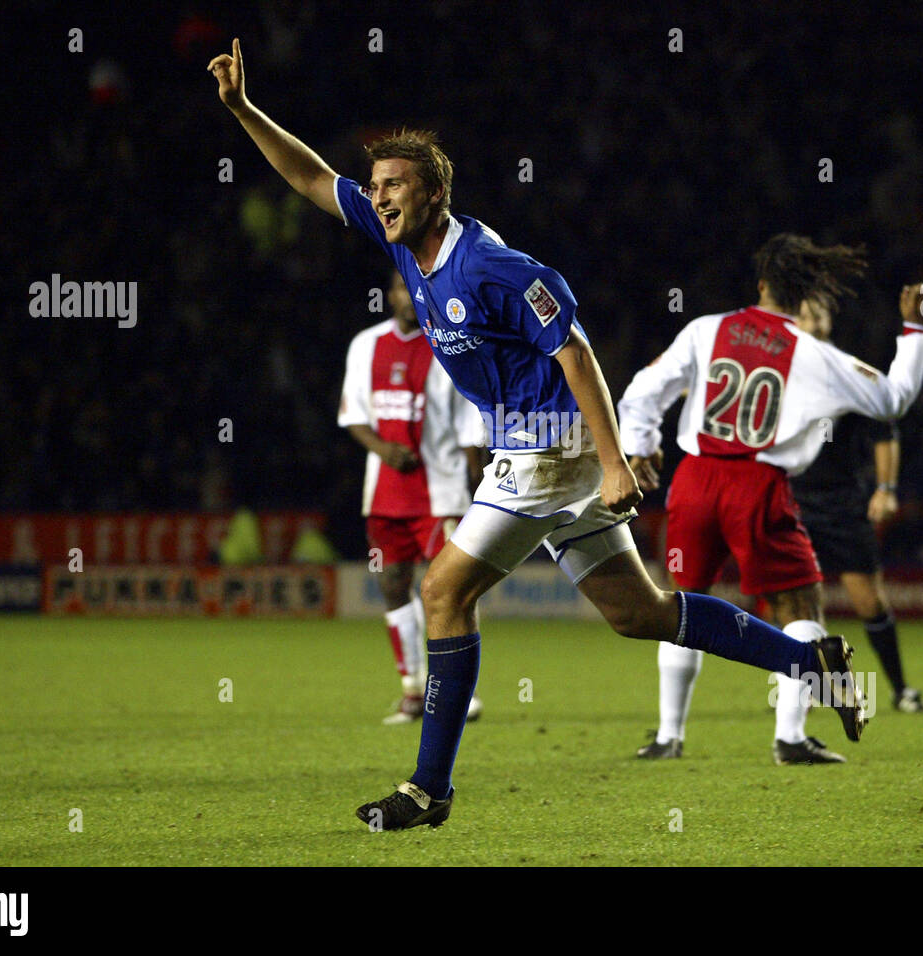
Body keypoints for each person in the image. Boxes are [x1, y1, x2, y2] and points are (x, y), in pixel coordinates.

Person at [209, 41, 865, 830]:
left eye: (396, 186)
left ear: (436, 191)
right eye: (376, 187)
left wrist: (616, 462)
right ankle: (810, 659)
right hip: (544, 454)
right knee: (639, 613)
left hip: (549, 454)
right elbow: (315, 179)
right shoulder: (400, 242)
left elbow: (578, 353)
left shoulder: (495, 267)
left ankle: (429, 790)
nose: (378, 198)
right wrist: (245, 110)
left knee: (443, 592)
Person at [618, 237, 923, 765]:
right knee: (800, 606)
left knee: (681, 603)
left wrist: (641, 446)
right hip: (757, 485)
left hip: (694, 482)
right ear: (806, 292)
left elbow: (643, 389)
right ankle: (789, 737)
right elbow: (892, 399)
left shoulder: (705, 329)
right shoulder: (813, 354)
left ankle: (668, 736)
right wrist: (917, 330)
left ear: (760, 284)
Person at [338, 270, 485, 724]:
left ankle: (457, 693)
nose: (410, 296)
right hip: (384, 495)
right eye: (403, 288)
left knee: (450, 591)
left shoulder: (447, 345)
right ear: (390, 295)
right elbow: (352, 413)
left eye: (416, 290)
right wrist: (384, 450)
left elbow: (467, 424)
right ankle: (411, 691)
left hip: (440, 494)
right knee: (392, 584)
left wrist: (479, 485)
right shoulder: (366, 345)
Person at [787, 298, 923, 716]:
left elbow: (885, 431)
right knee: (796, 601)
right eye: (802, 314)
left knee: (869, 600)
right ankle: (800, 691)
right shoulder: (779, 372)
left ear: (830, 320)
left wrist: (886, 488)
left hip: (841, 501)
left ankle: (900, 689)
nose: (811, 322)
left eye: (818, 314)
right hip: (789, 500)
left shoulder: (848, 372)